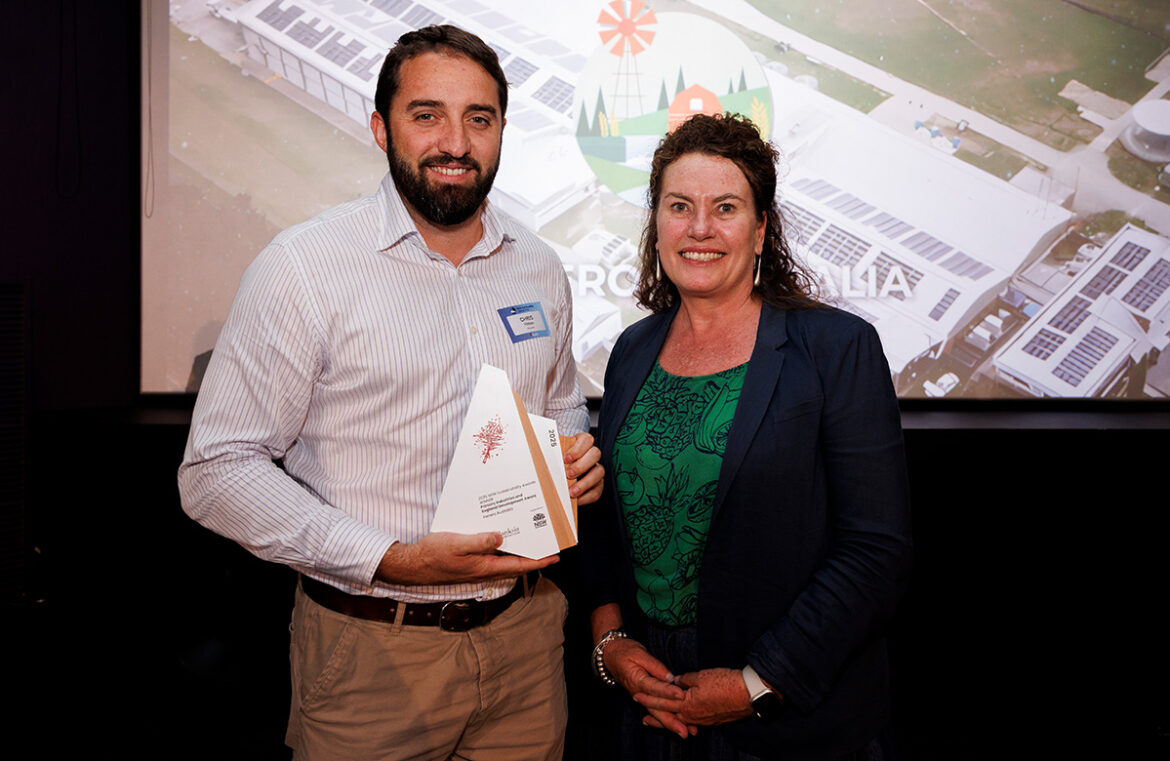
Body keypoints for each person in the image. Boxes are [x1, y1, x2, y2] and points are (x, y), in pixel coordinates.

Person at [178, 25, 603, 761]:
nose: (456, 142)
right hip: (374, 651)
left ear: (502, 130)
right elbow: (216, 470)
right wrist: (390, 558)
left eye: (479, 118)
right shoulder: (304, 266)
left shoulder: (537, 265)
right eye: (427, 114)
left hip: (528, 642)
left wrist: (570, 457)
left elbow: (558, 399)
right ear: (381, 128)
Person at [580, 113, 912, 761]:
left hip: (784, 719)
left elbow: (876, 551)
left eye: (725, 207)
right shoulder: (631, 350)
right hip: (650, 707)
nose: (700, 227)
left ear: (760, 229)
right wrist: (610, 639)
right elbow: (605, 520)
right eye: (680, 206)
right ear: (657, 223)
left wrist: (757, 684)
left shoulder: (836, 348)